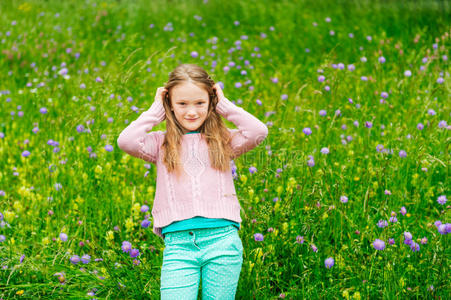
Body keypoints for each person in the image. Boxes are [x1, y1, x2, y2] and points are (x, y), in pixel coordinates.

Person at [117, 63, 268, 299]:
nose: (192, 112)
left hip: (223, 242)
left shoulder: (222, 141)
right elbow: (126, 141)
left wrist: (225, 107)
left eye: (200, 103)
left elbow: (258, 130)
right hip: (178, 246)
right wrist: (155, 111)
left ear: (211, 102)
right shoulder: (160, 144)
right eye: (182, 104)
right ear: (170, 105)